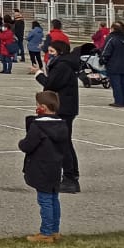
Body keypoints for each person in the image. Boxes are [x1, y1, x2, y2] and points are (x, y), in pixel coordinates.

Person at [18, 91, 70, 244]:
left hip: (41, 168)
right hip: (55, 167)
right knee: (54, 198)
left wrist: (21, 143)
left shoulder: (38, 126)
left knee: (45, 200)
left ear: (42, 108)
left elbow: (28, 145)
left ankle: (46, 232)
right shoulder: (62, 124)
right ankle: (54, 229)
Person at [37, 40, 83, 193]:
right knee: (65, 141)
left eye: (51, 52)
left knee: (63, 143)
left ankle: (70, 178)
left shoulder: (62, 65)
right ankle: (71, 175)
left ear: (59, 52)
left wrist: (39, 75)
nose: (49, 55)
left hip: (64, 107)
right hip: (66, 106)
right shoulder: (64, 64)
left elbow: (51, 84)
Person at [100, 19, 124, 108]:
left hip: (114, 65)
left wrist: (102, 60)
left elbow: (106, 51)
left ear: (113, 29)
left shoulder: (111, 38)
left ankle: (118, 101)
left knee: (116, 84)